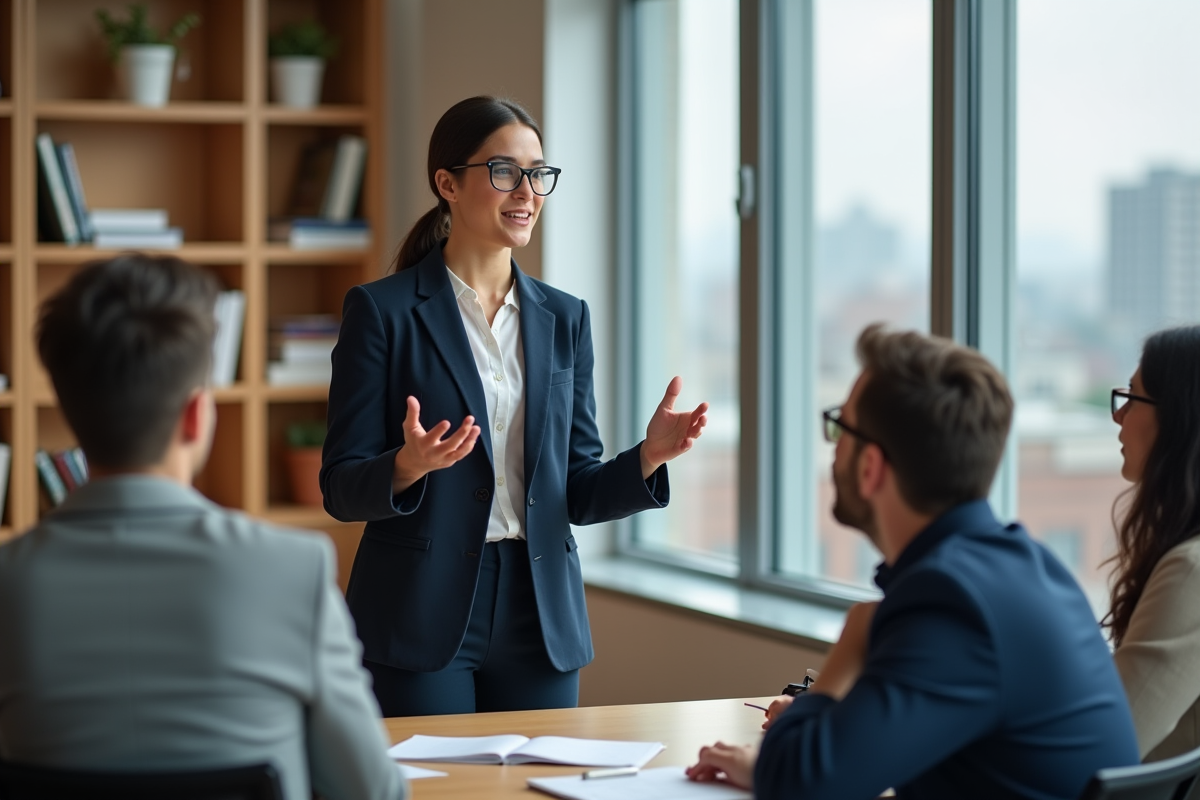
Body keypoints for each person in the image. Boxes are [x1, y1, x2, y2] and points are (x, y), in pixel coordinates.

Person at [320, 95, 708, 717]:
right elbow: (340, 489)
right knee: (435, 773)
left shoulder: (565, 317)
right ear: (447, 183)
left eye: (538, 173)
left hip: (539, 612)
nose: (527, 191)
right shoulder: (382, 311)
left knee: (542, 771)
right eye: (504, 171)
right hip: (419, 609)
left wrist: (647, 458)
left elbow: (576, 491)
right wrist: (406, 466)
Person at [0, 255, 405, 800]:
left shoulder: (9, 582)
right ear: (196, 415)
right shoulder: (292, 572)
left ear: (70, 411)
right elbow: (372, 791)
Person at [687, 324, 1138, 800]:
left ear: (870, 467)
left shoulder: (951, 600)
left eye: (841, 428)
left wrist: (854, 641)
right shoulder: (1029, 565)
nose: (833, 449)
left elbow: (802, 783)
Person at [1109, 325, 1200, 762]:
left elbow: (1107, 742)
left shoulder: (1191, 571)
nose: (1119, 416)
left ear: (1180, 419)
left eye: (1133, 396)